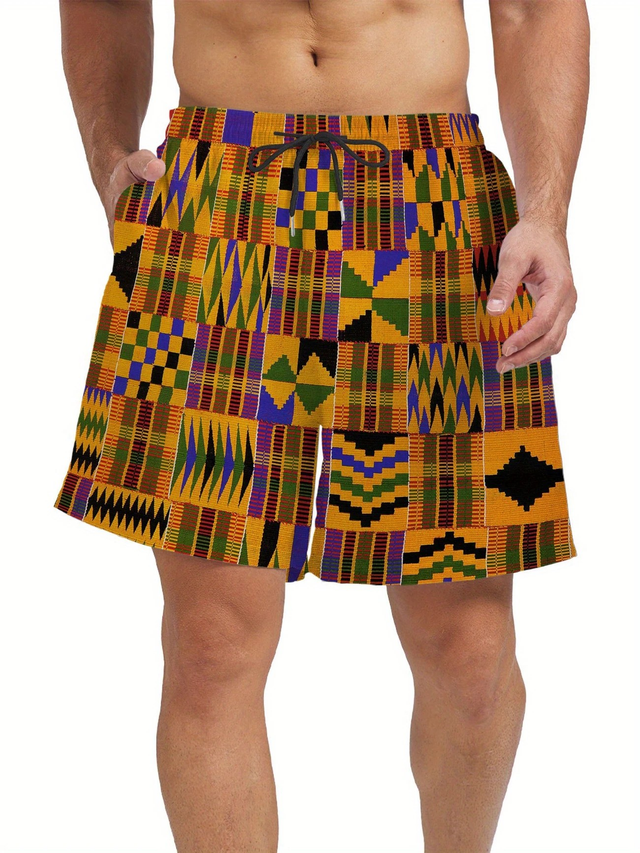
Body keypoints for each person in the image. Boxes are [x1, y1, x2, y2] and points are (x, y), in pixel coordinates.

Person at [54, 1, 589, 850]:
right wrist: (107, 156)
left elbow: (535, 9)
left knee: (470, 653)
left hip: (431, 196)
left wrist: (547, 215)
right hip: (219, 194)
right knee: (211, 644)